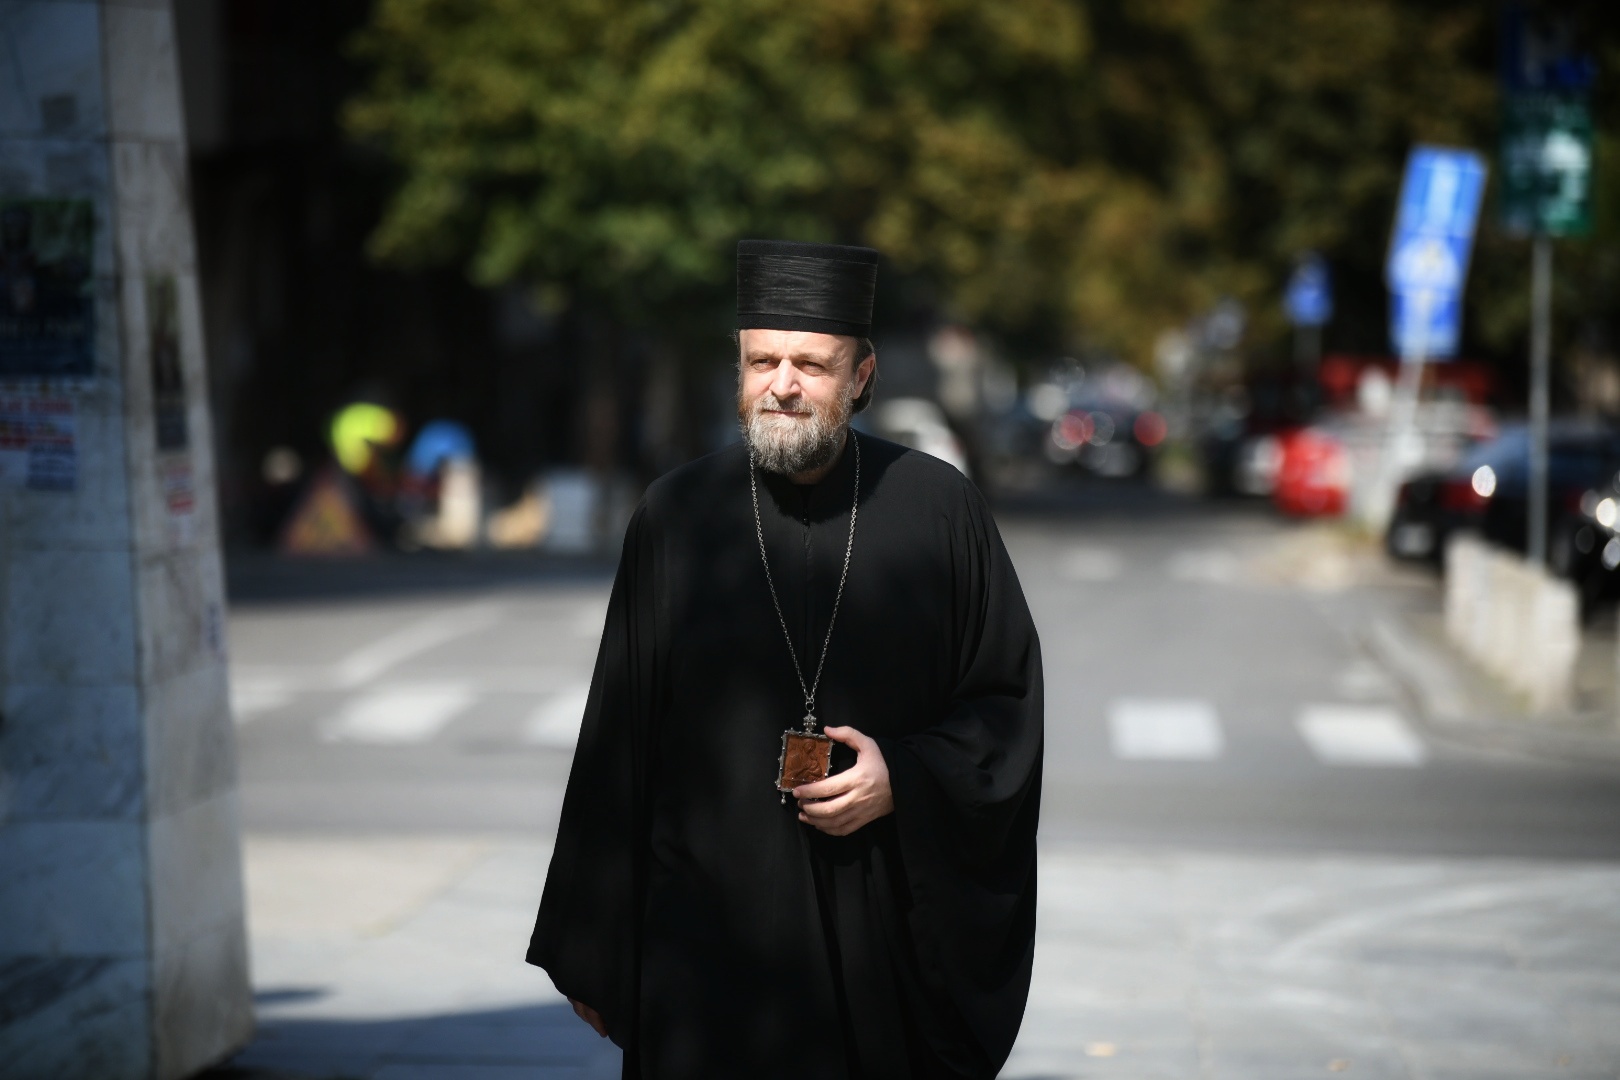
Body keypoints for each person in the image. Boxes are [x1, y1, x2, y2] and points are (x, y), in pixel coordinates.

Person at [528, 239, 1043, 1079]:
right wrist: (595, 935)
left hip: (878, 944)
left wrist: (905, 778)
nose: (783, 385)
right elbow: (620, 734)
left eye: (812, 364)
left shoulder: (940, 510)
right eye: (762, 361)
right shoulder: (677, 516)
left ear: (862, 377)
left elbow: (1004, 706)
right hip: (704, 942)